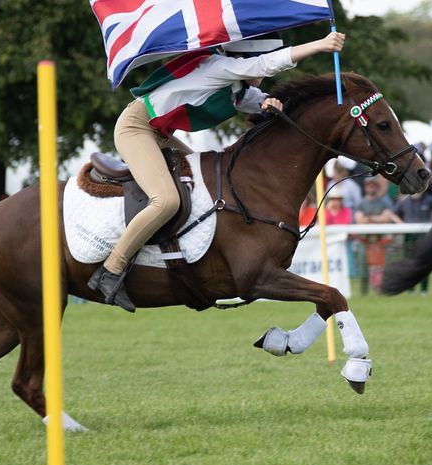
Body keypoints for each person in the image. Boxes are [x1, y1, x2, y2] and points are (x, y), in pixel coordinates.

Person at [88, 30, 346, 311]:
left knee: (203, 189)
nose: (262, 74)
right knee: (167, 201)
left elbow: (257, 98)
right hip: (136, 128)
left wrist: (268, 102)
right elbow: (262, 66)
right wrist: (319, 44)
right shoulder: (219, 67)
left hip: (158, 133)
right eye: (258, 62)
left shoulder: (236, 87)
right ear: (245, 58)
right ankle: (111, 270)